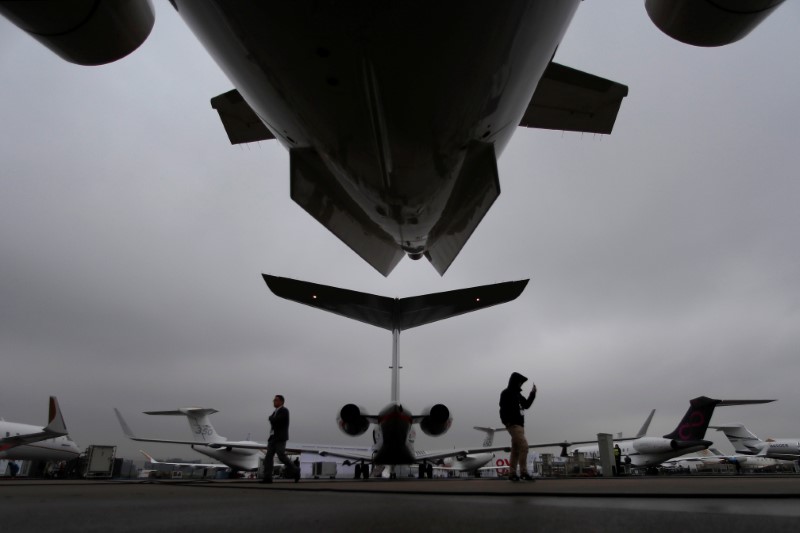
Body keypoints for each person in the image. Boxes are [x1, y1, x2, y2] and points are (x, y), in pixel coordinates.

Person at [499, 372, 537, 481]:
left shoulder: (518, 395)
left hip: (519, 425)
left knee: (515, 450)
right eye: (520, 382)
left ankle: (512, 473)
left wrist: (532, 394)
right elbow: (502, 409)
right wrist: (507, 422)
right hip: (514, 425)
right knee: (524, 447)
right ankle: (523, 472)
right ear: (515, 381)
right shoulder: (506, 393)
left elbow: (526, 405)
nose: (521, 384)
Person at [262, 394, 300, 483]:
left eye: (276, 400)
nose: (274, 402)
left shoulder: (284, 411)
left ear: (281, 402)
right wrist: (272, 419)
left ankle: (296, 470)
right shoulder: (275, 411)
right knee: (268, 457)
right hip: (272, 438)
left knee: (281, 456)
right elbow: (273, 420)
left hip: (280, 438)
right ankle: (267, 478)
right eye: (274, 400)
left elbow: (276, 420)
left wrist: (271, 418)